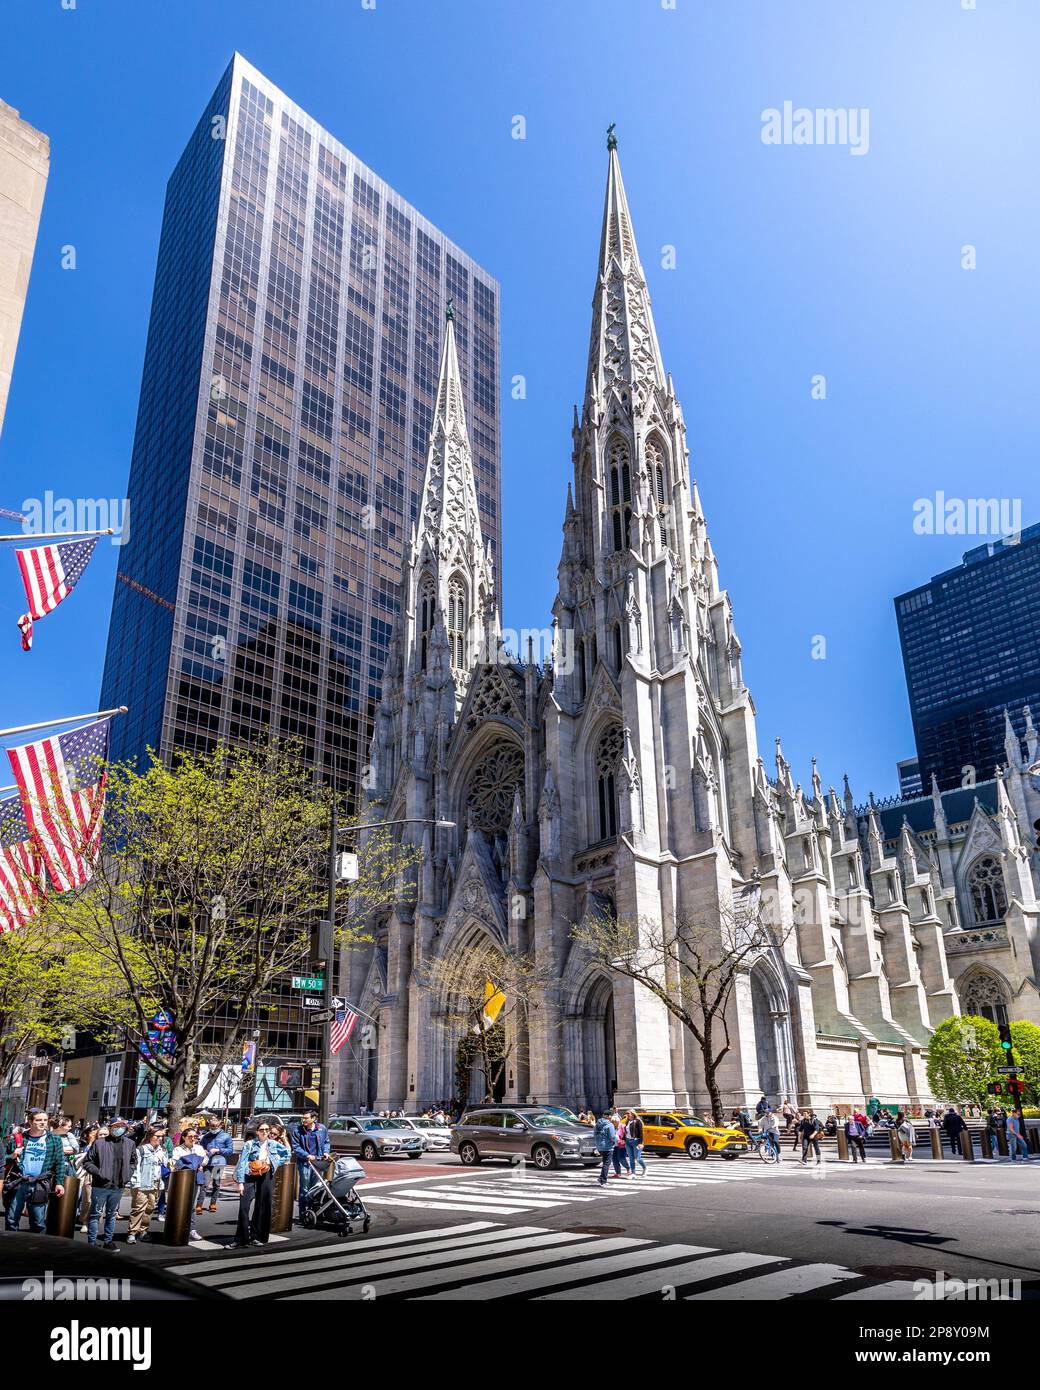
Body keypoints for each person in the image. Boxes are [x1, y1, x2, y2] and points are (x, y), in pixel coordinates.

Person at [3, 1109, 66, 1234]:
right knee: (11, 1220)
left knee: (38, 1222)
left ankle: (37, 1251)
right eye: (38, 1120)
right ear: (30, 1121)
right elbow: (3, 1158)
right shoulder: (19, 1139)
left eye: (45, 1120)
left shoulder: (54, 1139)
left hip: (40, 1184)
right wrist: (13, 1155)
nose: (42, 1123)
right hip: (19, 1182)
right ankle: (9, 1249)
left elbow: (59, 1162)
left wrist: (59, 1182)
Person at [81, 1115, 135, 1249]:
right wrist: (99, 1173)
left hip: (118, 1186)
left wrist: (128, 1174)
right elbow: (87, 1162)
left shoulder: (130, 1144)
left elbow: (133, 1161)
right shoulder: (99, 1143)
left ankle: (108, 1241)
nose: (119, 1129)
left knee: (111, 1215)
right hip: (100, 1186)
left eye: (122, 1126)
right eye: (116, 1126)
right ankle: (92, 1243)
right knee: (95, 1215)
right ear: (110, 1128)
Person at [234, 1120, 290, 1247]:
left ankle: (256, 1236)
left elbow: (288, 1153)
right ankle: (241, 1238)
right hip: (250, 1174)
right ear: (257, 1132)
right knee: (244, 1207)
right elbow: (242, 1162)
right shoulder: (249, 1144)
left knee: (262, 1206)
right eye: (261, 1130)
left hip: (266, 1175)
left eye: (266, 1130)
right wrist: (241, 1182)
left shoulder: (274, 1144)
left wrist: (273, 1163)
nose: (264, 1132)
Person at [289, 1111, 330, 1222]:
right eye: (303, 1118)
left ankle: (315, 1213)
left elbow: (326, 1141)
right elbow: (296, 1147)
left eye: (306, 1118)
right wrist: (307, 1155)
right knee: (305, 1189)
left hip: (318, 1163)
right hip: (305, 1163)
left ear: (314, 1118)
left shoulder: (322, 1128)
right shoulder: (298, 1130)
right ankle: (303, 1214)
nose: (304, 1120)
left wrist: (326, 1152)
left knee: (316, 1189)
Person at [127, 1126, 165, 1245]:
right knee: (138, 1208)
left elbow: (163, 1166)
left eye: (161, 1136)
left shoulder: (162, 1150)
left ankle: (143, 1231)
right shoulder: (141, 1150)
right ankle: (132, 1232)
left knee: (150, 1208)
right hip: (143, 1182)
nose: (160, 1138)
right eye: (157, 1136)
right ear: (150, 1136)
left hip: (156, 1183)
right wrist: (136, 1183)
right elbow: (136, 1168)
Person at [171, 1124, 207, 1241]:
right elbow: (176, 1162)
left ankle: (192, 1229)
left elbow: (205, 1160)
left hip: (196, 1178)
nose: (193, 1139)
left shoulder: (199, 1148)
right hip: (182, 1180)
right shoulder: (178, 1149)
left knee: (191, 1205)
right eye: (190, 1136)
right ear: (184, 1137)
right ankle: (179, 1227)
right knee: (181, 1204)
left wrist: (200, 1163)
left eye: (195, 1136)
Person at [198, 1116, 233, 1214]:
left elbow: (230, 1150)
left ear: (220, 1125)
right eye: (211, 1127)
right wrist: (203, 1150)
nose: (213, 1129)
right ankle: (199, 1205)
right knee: (204, 1184)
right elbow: (200, 1147)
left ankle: (213, 1203)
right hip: (208, 1163)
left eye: (215, 1126)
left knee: (216, 1184)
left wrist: (218, 1150)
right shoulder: (206, 1136)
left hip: (219, 1162)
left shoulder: (226, 1136)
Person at [593, 1110, 617, 1186]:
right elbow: (612, 1137)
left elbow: (594, 1134)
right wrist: (614, 1142)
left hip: (599, 1146)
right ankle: (603, 1180)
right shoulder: (610, 1125)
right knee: (607, 1164)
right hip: (607, 1146)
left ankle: (601, 1177)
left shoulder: (597, 1124)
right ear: (609, 1116)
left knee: (605, 1162)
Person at [623, 1110, 647, 1175]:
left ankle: (644, 1168)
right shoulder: (627, 1121)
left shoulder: (637, 1121)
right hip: (628, 1141)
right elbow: (626, 1132)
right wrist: (623, 1139)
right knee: (631, 1158)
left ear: (633, 1114)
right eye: (626, 1113)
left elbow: (641, 1133)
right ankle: (633, 1173)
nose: (627, 1114)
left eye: (628, 1113)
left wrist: (640, 1143)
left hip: (636, 1141)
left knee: (638, 1158)